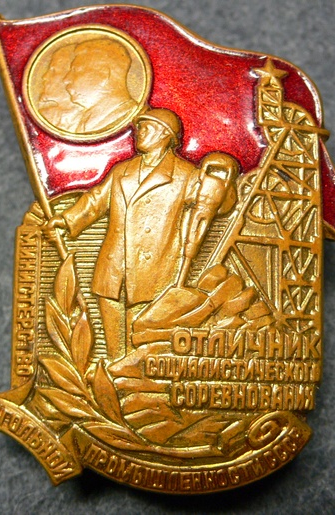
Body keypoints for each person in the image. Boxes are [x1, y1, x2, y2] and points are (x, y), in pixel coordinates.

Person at [44, 108, 232, 360]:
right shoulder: (122, 170)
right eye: (139, 127)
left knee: (141, 338)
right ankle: (113, 376)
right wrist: (67, 220)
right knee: (114, 345)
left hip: (153, 273)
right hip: (113, 268)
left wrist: (223, 179)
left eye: (146, 127)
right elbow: (97, 200)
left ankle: (136, 377)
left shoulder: (185, 175)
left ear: (165, 134)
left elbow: (220, 206)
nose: (138, 132)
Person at [64, 39, 138, 134]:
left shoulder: (124, 113)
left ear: (103, 74)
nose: (66, 79)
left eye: (76, 71)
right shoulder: (86, 119)